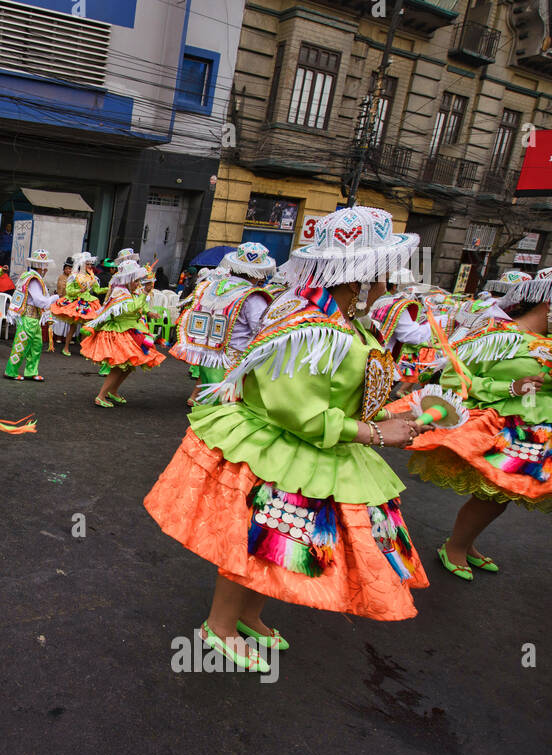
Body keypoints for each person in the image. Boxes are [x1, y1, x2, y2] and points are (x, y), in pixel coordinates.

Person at [144, 207, 429, 673]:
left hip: (313, 449)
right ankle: (219, 626)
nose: (387, 285)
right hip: (283, 448)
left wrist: (393, 414)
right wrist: (376, 433)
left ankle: (249, 614)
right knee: (251, 539)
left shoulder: (343, 320)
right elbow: (297, 410)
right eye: (380, 274)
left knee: (279, 540)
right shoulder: (309, 325)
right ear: (356, 276)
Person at [408, 266, 552, 578]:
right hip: (501, 432)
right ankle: (456, 546)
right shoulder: (498, 338)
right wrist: (509, 388)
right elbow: (453, 379)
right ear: (551, 303)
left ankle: (464, 543)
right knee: (493, 496)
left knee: (500, 498)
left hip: (547, 433)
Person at [173, 243, 279, 406]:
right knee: (229, 411)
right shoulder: (251, 297)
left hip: (209, 357)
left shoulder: (210, 287)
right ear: (257, 273)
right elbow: (264, 331)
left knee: (210, 404)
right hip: (234, 362)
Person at [82, 260, 164, 407]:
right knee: (119, 366)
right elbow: (131, 308)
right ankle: (101, 395)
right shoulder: (119, 292)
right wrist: (145, 292)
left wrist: (149, 312)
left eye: (138, 281)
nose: (138, 284)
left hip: (131, 332)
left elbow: (139, 306)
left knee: (129, 366)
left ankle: (112, 391)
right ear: (127, 279)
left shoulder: (129, 291)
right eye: (135, 280)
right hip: (119, 333)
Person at [4, 249, 57, 381]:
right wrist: (54, 298)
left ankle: (31, 371)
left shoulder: (29, 277)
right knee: (21, 345)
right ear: (41, 267)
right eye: (45, 266)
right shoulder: (33, 280)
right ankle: (11, 371)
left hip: (34, 319)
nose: (46, 269)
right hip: (28, 318)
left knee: (36, 346)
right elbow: (40, 301)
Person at [51, 251, 105, 356]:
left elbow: (98, 290)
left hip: (88, 303)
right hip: (76, 303)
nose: (89, 266)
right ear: (82, 264)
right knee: (73, 327)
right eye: (87, 264)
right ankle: (66, 348)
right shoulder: (74, 276)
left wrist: (110, 288)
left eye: (90, 264)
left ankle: (83, 349)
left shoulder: (92, 277)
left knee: (85, 328)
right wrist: (79, 291)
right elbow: (69, 290)